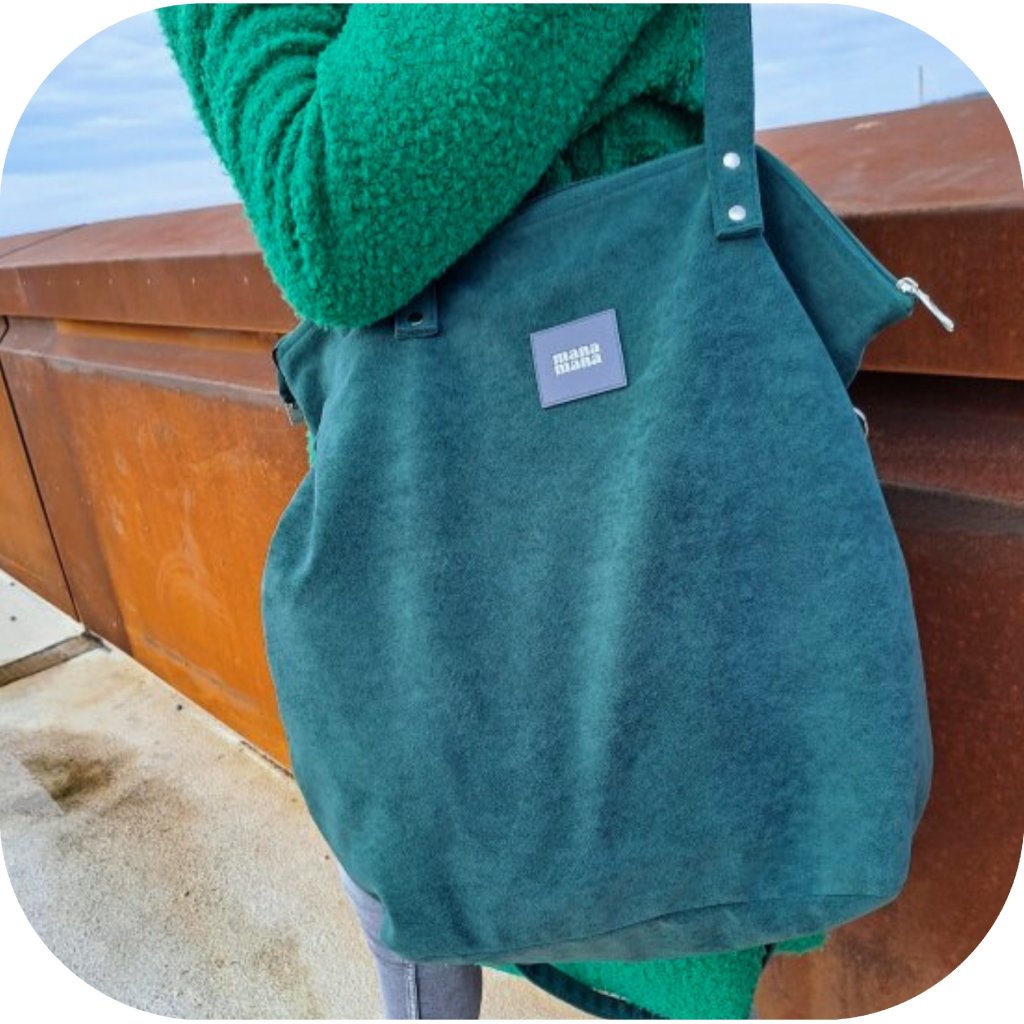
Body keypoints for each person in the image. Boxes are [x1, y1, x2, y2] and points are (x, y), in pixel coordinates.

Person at [156, 4, 824, 1017]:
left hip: (577, 560)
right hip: (472, 551)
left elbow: (327, 207)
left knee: (443, 888)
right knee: (418, 886)